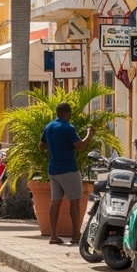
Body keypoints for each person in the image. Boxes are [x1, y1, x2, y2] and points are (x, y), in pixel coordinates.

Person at [38, 102, 95, 245]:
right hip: (69, 169)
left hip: (53, 169)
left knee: (55, 202)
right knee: (75, 201)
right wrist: (89, 134)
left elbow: (41, 146)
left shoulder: (49, 127)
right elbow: (81, 146)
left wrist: (55, 146)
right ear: (66, 113)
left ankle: (53, 236)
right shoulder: (68, 128)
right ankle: (76, 235)